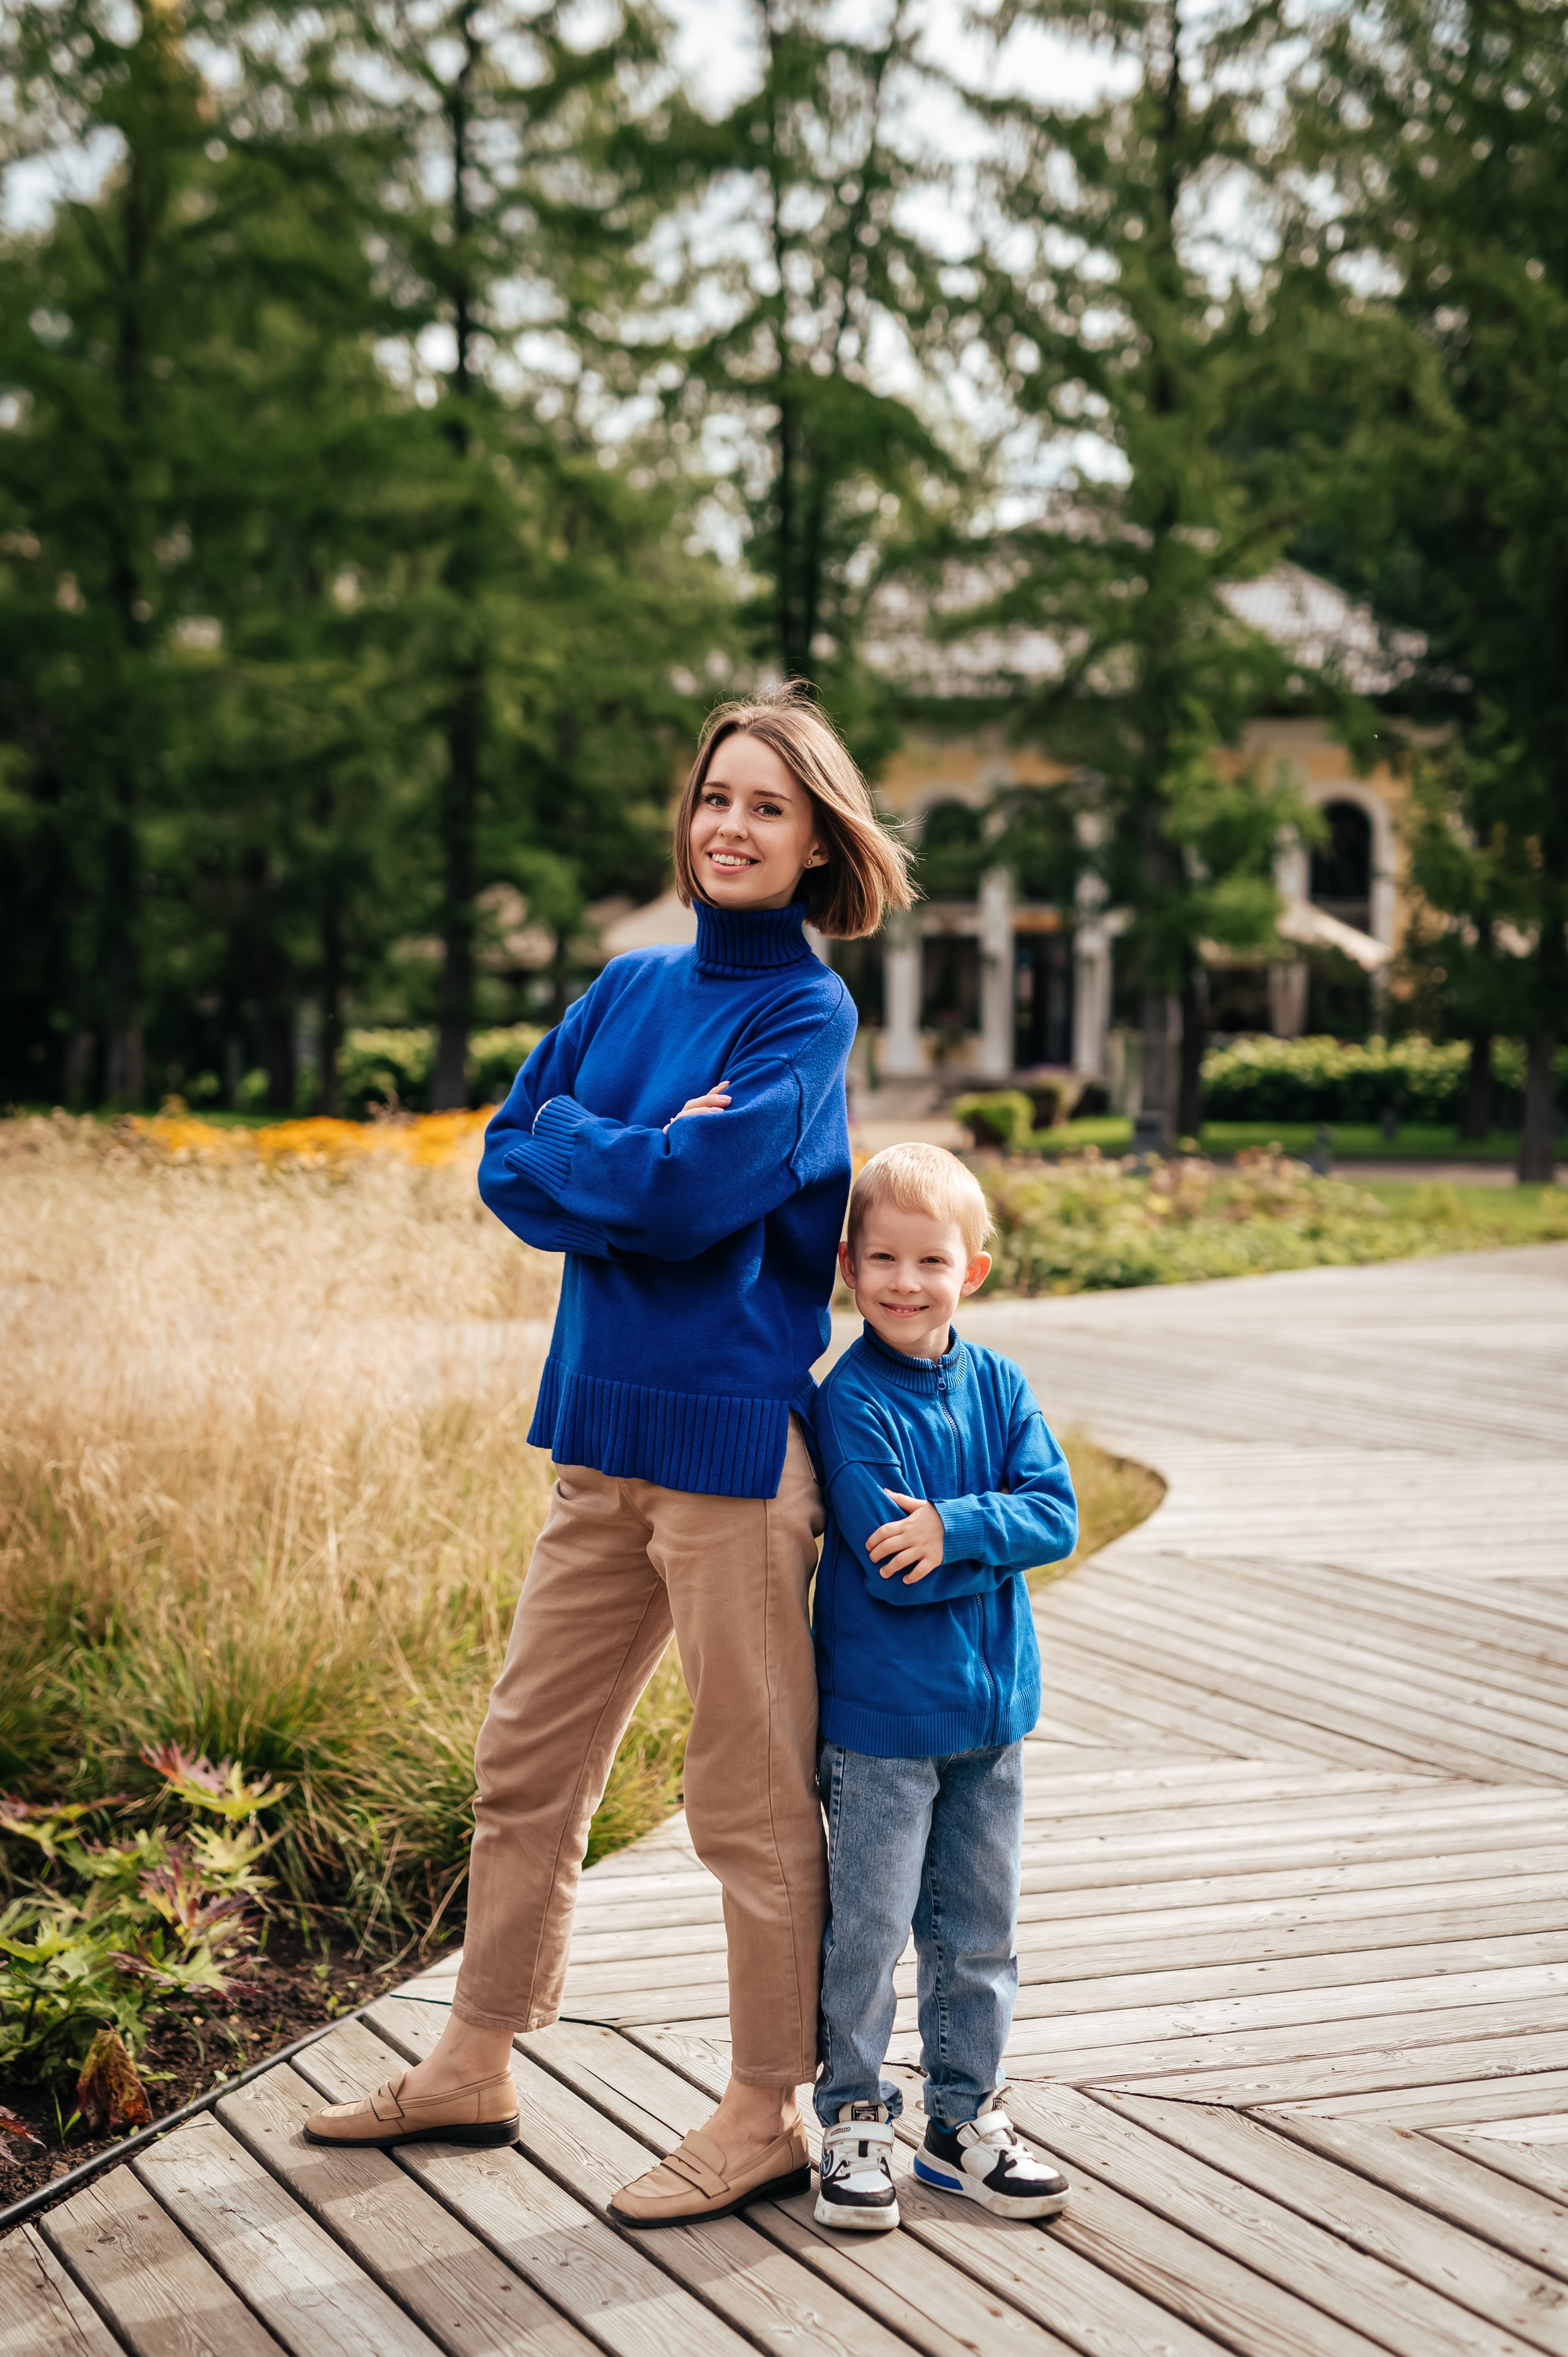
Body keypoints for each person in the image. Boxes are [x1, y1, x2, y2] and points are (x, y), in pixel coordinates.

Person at [305, 685, 912, 2228]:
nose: (732, 825)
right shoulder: (629, 985)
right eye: (717, 796)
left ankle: (765, 2104)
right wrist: (619, 1156)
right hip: (596, 1439)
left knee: (747, 1799)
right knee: (524, 1766)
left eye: (769, 806)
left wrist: (617, 1157)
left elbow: (695, 1195)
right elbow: (511, 1157)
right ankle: (471, 2064)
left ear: (816, 835)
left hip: (727, 1461)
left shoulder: (804, 1014)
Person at [808, 1142, 1076, 2232]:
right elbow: (891, 1563)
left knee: (979, 1931)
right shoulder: (849, 1401)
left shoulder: (1003, 1385)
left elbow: (1055, 1513)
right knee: (869, 1932)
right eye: (882, 1258)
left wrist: (960, 1523)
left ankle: (961, 2124)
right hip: (881, 1730)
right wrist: (978, 1535)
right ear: (848, 1265)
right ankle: (855, 2117)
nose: (905, 1282)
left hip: (994, 1719)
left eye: (931, 1259)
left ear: (976, 1268)